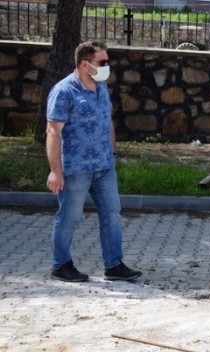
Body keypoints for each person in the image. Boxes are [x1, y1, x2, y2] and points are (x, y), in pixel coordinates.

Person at [46, 41, 142, 283]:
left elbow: (107, 120)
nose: (106, 66)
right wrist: (55, 171)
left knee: (112, 213)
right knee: (69, 216)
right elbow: (53, 132)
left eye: (107, 61)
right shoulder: (64, 91)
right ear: (85, 64)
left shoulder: (101, 88)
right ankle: (61, 265)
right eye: (102, 62)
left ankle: (114, 265)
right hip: (75, 169)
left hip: (104, 167)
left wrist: (112, 153)